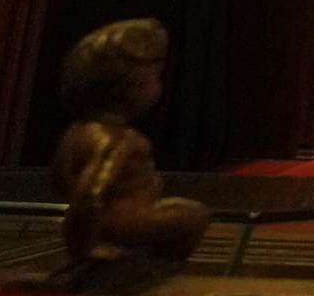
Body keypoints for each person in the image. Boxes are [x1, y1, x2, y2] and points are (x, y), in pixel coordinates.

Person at [47, 19, 211, 290]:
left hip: (108, 223)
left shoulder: (78, 130)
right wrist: (84, 247)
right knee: (194, 215)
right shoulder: (115, 140)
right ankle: (156, 272)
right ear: (131, 88)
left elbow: (60, 178)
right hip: (124, 224)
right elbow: (88, 194)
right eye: (155, 78)